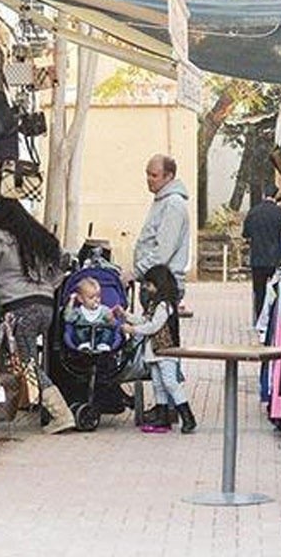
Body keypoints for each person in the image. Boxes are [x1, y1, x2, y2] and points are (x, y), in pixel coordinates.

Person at [0, 197, 75, 434]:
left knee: (26, 363)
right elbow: (59, 273)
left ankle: (61, 413)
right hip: (45, 306)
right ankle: (8, 408)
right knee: (20, 358)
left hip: (18, 308)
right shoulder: (36, 236)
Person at [122, 266, 196, 433]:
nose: (147, 289)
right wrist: (125, 316)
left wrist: (132, 330)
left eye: (149, 285)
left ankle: (187, 416)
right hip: (155, 352)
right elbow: (144, 320)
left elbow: (153, 326)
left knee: (170, 383)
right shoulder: (155, 304)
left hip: (165, 351)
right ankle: (162, 416)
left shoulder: (164, 305)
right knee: (158, 384)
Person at [131, 155, 191, 295]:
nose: (149, 179)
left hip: (164, 285)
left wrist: (136, 272)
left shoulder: (173, 204)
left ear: (168, 176)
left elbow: (163, 251)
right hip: (154, 281)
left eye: (154, 175)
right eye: (147, 174)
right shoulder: (162, 201)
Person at [242, 186, 281, 323]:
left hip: (257, 258)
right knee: (276, 290)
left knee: (259, 292)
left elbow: (245, 235)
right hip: (275, 259)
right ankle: (273, 320)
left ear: (264, 194)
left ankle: (259, 320)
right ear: (277, 195)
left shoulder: (253, 212)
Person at [63, 277, 124, 353]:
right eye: (91, 297)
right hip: (84, 336)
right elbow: (67, 318)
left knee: (107, 332)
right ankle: (84, 345)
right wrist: (71, 301)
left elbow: (115, 325)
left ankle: (103, 344)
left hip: (100, 337)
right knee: (78, 331)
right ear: (81, 299)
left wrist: (111, 320)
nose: (96, 300)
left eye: (98, 296)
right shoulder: (78, 311)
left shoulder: (104, 310)